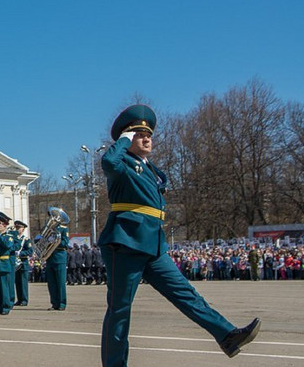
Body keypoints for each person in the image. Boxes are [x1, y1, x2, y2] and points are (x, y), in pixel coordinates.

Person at [98, 105, 261, 366]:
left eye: (148, 134)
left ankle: (227, 335)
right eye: (139, 134)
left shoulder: (148, 168)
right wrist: (123, 141)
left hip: (153, 244)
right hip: (126, 242)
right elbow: (108, 162)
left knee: (186, 293)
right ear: (126, 138)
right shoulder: (122, 164)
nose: (147, 138)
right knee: (120, 310)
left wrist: (138, 150)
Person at [13, 220, 33, 306]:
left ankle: (24, 300)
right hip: (16, 264)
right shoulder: (14, 239)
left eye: (19, 228)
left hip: (23, 263)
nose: (17, 229)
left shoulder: (26, 240)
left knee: (23, 282)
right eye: (16, 227)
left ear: (23, 229)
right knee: (17, 282)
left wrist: (20, 253)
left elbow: (30, 251)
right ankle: (19, 299)